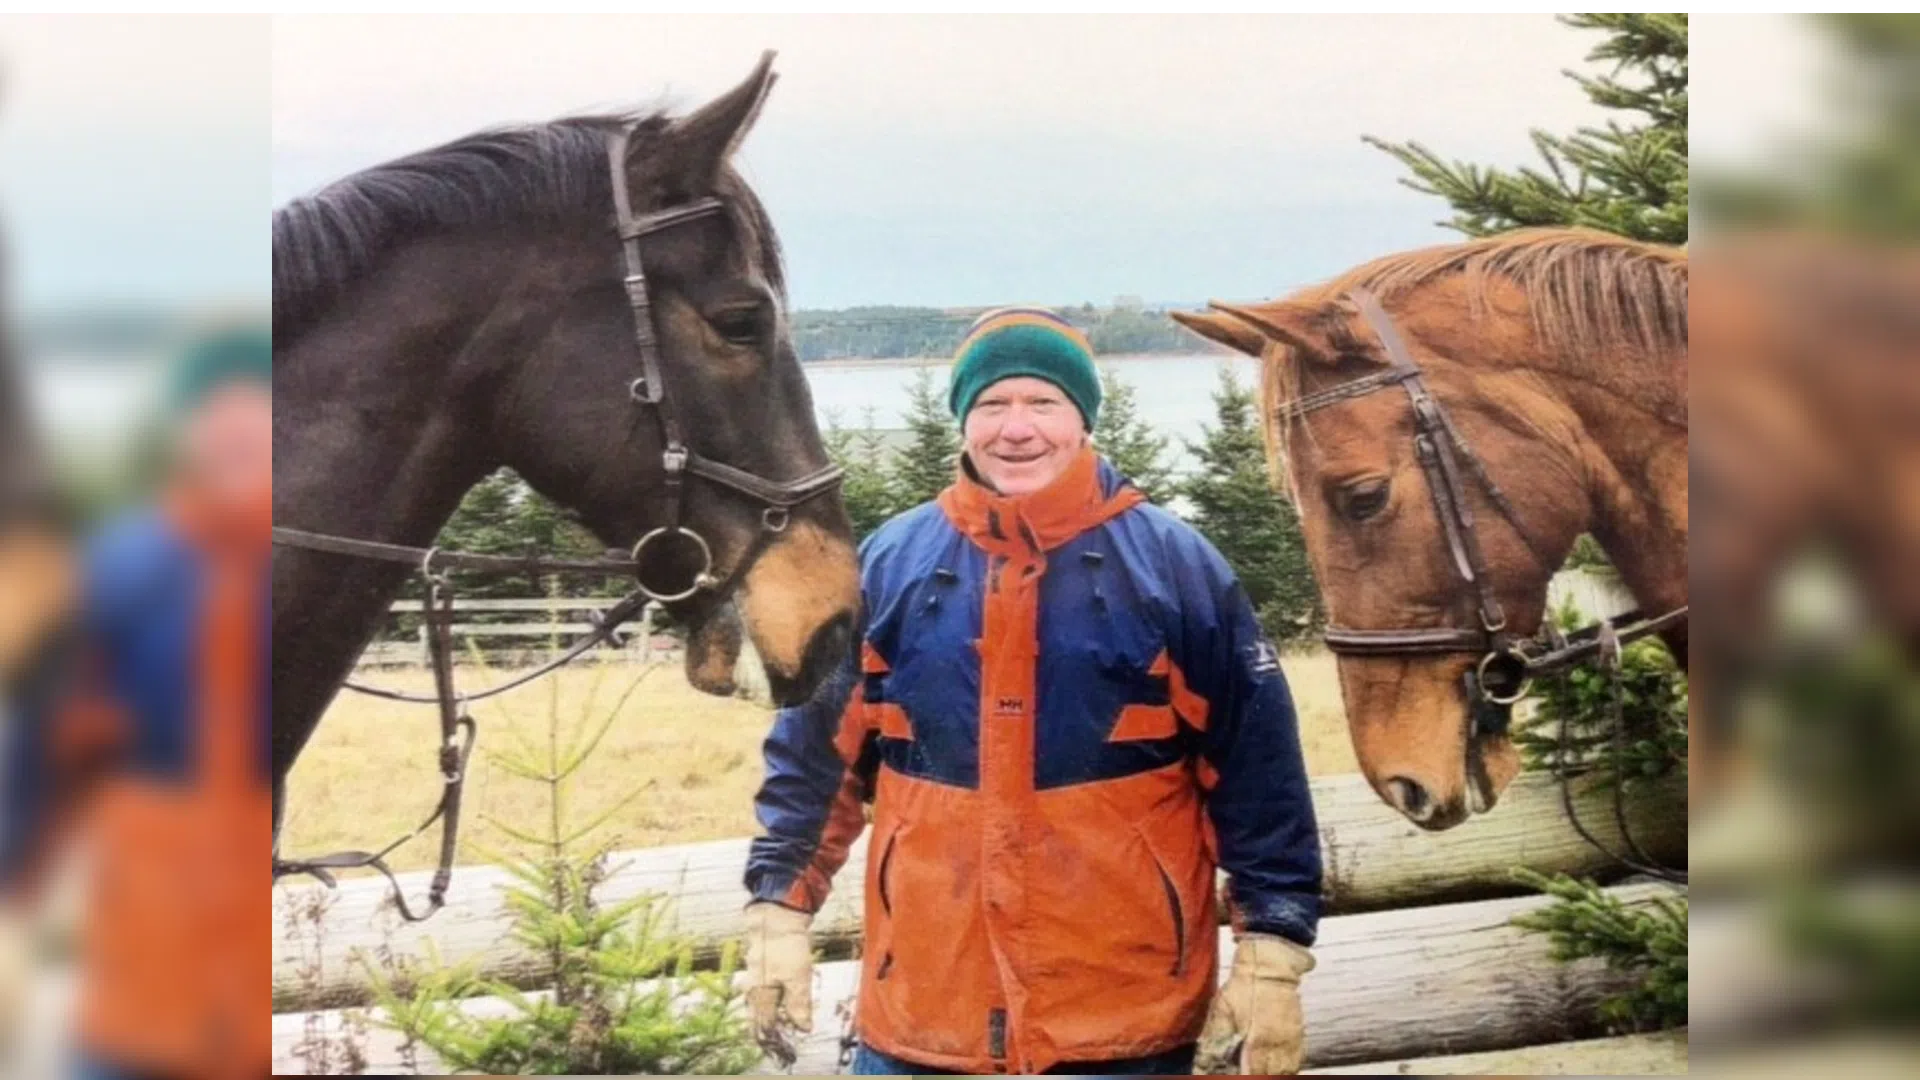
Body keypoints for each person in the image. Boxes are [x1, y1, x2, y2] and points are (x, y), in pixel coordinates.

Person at [740, 307, 1324, 1076]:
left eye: (1043, 402)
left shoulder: (1175, 568)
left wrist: (1273, 953)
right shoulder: (889, 565)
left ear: (1082, 418)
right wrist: (778, 912)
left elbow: (1259, 772)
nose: (1017, 429)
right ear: (964, 421)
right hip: (922, 1013)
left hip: (1124, 1022)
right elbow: (815, 760)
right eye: (992, 404)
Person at [0, 324, 273, 1080]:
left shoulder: (302, 562)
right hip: (148, 887)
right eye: (218, 418)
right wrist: (13, 883)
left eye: (255, 416)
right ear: (187, 435)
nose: (237, 436)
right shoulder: (124, 562)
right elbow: (44, 729)